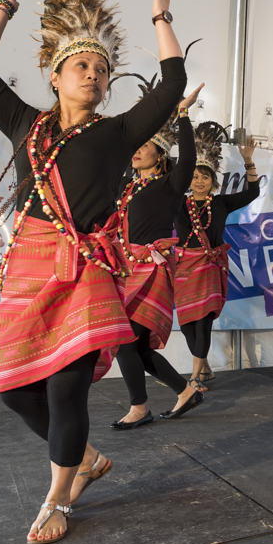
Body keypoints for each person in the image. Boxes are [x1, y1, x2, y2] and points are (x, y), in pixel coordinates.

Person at [0, 0, 186, 544]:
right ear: (56, 75)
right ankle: (85, 458)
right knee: (15, 391)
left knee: (66, 389)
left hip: (84, 271)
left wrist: (161, 17)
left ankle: (58, 498)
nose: (93, 74)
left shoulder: (117, 134)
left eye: (102, 69)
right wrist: (4, 6)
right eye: (82, 65)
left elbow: (170, 84)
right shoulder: (24, 124)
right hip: (29, 268)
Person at [111, 71, 206, 429]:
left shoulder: (170, 184)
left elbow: (189, 159)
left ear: (160, 153)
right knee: (138, 347)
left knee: (125, 341)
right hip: (125, 270)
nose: (136, 152)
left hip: (151, 270)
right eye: (136, 147)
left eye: (144, 146)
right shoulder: (125, 186)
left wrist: (182, 115)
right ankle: (185, 391)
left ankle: (139, 407)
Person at [173, 123, 259, 391]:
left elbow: (253, 192)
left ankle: (195, 377)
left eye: (205, 177)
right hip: (185, 268)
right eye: (196, 176)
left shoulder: (220, 203)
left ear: (213, 181)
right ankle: (206, 368)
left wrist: (248, 162)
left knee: (203, 322)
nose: (200, 181)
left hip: (210, 267)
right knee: (187, 323)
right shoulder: (176, 202)